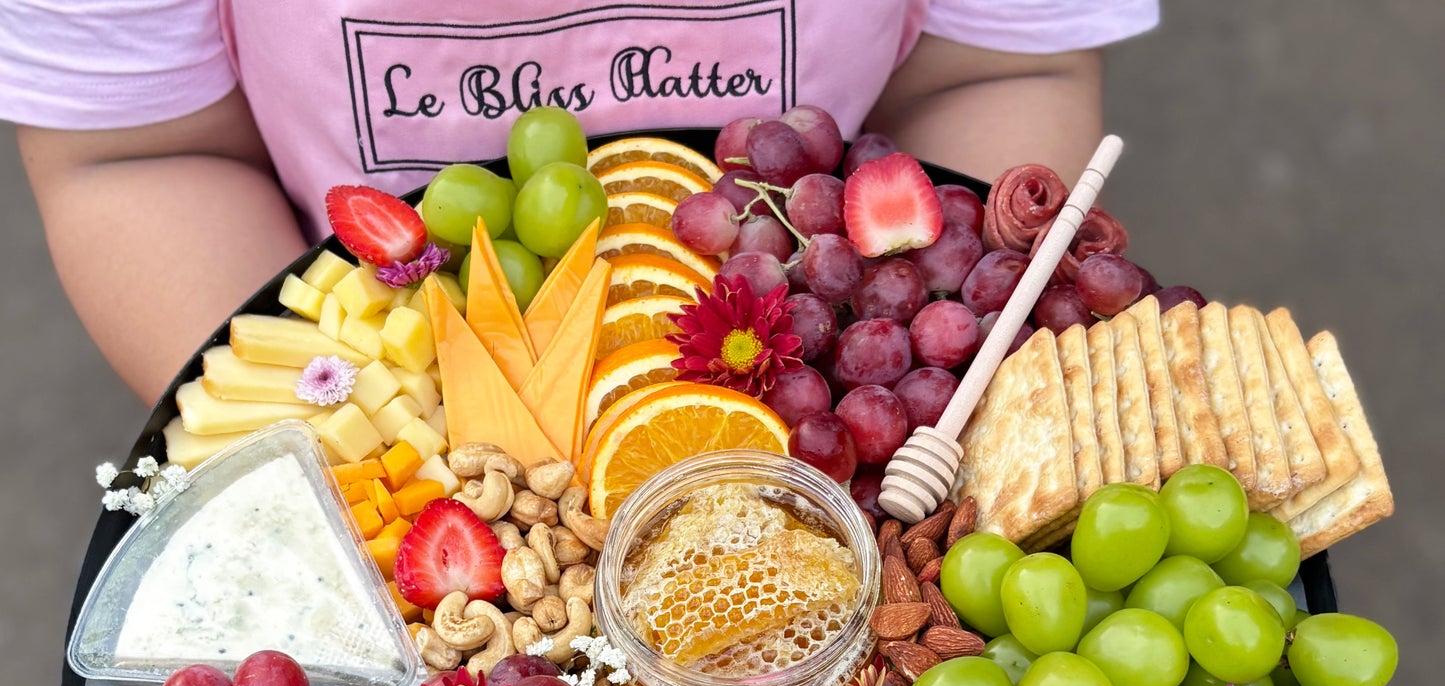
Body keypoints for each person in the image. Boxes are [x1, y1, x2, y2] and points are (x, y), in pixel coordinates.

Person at [0, 1, 1156, 404]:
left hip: (827, 356)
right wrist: (327, 437)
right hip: (390, 347)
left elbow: (990, 71)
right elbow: (141, 158)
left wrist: (913, 349)